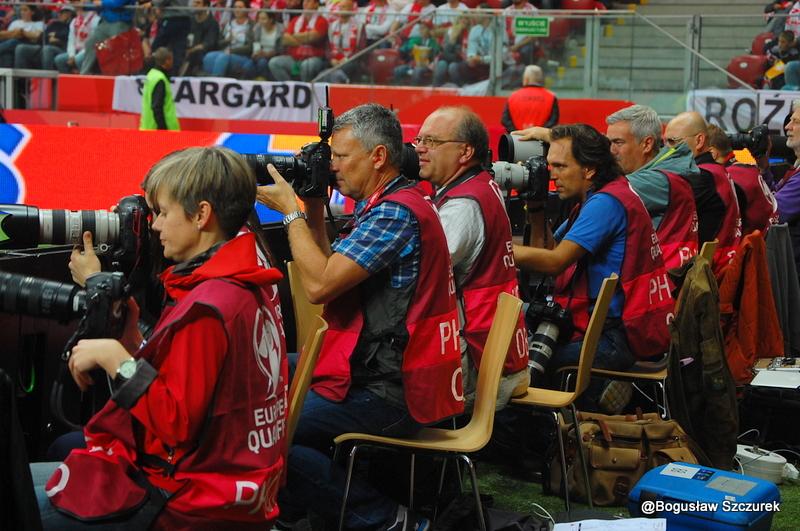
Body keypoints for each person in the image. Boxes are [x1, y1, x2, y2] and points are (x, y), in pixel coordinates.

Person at [31, 146, 288, 529]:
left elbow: (174, 423)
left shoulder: (210, 305)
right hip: (237, 489)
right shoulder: (246, 283)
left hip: (189, 502)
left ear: (201, 215)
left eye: (164, 213)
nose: (153, 226)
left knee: (18, 496)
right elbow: (192, 390)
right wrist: (134, 342)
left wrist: (115, 357)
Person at [256, 103, 462, 530]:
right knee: (262, 376)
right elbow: (329, 265)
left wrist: (289, 212)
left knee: (270, 434)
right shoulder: (394, 201)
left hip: (393, 389)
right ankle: (296, 510)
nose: (332, 167)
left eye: (340, 157)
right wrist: (313, 203)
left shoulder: (394, 213)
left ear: (378, 157)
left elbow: (319, 286)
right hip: (384, 371)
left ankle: (390, 521)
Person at [513, 124, 673, 413]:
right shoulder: (607, 194)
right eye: (550, 166)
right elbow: (548, 250)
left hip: (612, 338)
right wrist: (536, 207)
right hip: (619, 330)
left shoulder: (605, 204)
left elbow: (555, 262)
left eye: (561, 166)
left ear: (588, 170)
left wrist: (497, 252)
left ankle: (536, 448)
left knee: (516, 360)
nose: (552, 174)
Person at [415, 106, 529, 408]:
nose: (420, 149)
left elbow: (418, 275)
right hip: (496, 357)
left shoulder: (463, 206)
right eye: (418, 140)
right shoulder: (482, 186)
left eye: (432, 141)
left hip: (473, 373)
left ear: (465, 151)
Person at [606, 104, 701, 269]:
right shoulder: (670, 170)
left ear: (647, 144)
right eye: (609, 143)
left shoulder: (655, 181)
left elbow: (599, 197)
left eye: (618, 142)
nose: (611, 151)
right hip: (669, 278)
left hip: (656, 281)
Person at [664, 111, 742, 276]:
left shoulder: (701, 177)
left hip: (704, 277)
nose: (666, 151)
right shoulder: (717, 172)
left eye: (672, 142)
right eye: (664, 143)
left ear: (699, 140)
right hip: (717, 269)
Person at [707, 124, 778, 235]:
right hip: (765, 242)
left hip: (750, 246)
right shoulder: (746, 169)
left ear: (713, 154)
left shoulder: (728, 178)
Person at [268, 0, 328, 81]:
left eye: (308, 1)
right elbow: (285, 39)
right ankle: (291, 87)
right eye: (304, 1)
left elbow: (313, 37)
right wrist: (304, 39)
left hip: (313, 58)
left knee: (307, 65)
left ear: (316, 4)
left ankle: (306, 89)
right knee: (274, 62)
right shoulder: (295, 20)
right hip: (294, 58)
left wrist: (293, 37)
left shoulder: (322, 21)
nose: (305, 3)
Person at [79, 0, 136, 74]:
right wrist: (84, 6)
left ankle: (119, 76)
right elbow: (97, 5)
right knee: (90, 43)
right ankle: (84, 74)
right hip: (105, 22)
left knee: (116, 48)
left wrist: (101, 2)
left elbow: (117, 3)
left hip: (120, 22)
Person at [777, 99, 800, 279]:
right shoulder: (796, 166)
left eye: (796, 122)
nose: (787, 127)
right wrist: (762, 168)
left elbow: (775, 212)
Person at [501, 65, 559, 132]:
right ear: (541, 79)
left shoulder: (512, 96)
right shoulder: (551, 97)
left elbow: (504, 120)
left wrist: (519, 132)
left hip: (517, 139)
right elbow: (553, 121)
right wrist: (538, 133)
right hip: (542, 140)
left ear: (526, 78)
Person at [140, 47, 180, 131]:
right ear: (167, 61)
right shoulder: (160, 79)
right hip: (159, 130)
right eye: (171, 59)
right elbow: (157, 107)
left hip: (148, 127)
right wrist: (163, 129)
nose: (173, 62)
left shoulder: (151, 75)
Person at [180, 0, 219, 76]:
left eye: (198, 3)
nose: (194, 5)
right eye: (194, 2)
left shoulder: (212, 23)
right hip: (188, 51)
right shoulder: (190, 21)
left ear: (206, 6)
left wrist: (191, 50)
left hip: (204, 53)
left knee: (194, 55)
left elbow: (209, 43)